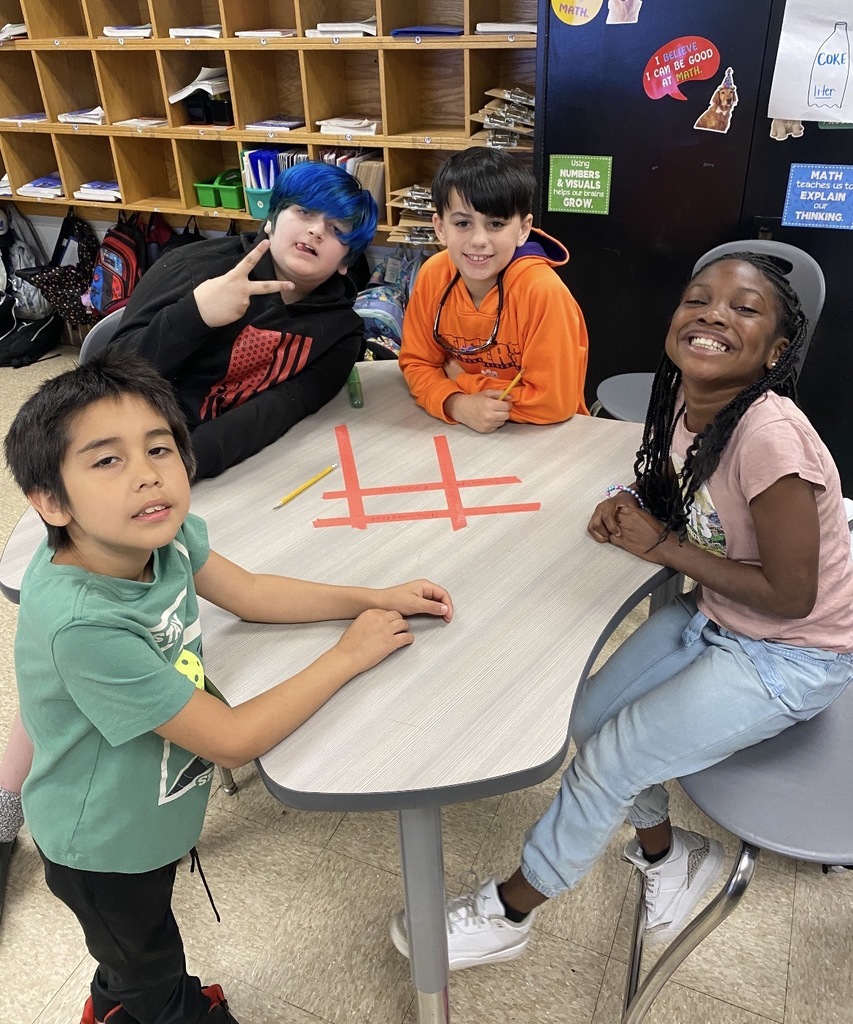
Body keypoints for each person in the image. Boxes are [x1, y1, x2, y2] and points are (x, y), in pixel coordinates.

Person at [390, 252, 853, 969]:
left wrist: (663, 546)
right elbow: (681, 496)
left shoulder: (769, 437)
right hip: (720, 616)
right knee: (584, 720)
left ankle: (511, 912)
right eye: (697, 298)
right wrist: (629, 502)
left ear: (776, 351)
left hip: (792, 654)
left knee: (608, 759)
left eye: (743, 309)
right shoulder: (684, 398)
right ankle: (668, 856)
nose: (711, 315)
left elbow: (792, 598)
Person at [4, 351, 452, 1022]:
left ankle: (123, 998)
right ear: (50, 501)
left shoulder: (166, 537)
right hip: (99, 845)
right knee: (147, 963)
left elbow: (250, 593)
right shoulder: (82, 623)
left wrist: (372, 596)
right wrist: (347, 656)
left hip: (145, 818)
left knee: (135, 949)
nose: (149, 475)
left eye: (159, 447)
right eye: (107, 460)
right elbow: (232, 741)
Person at [110, 161, 378, 479]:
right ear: (271, 220)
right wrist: (195, 315)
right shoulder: (191, 267)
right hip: (121, 445)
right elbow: (107, 380)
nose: (316, 231)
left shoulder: (341, 332)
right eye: (304, 212)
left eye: (337, 230)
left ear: (347, 261)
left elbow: (280, 409)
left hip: (211, 465)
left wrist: (184, 465)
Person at [398, 147, 589, 433]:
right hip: (464, 431)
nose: (478, 240)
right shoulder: (433, 275)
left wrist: (462, 381)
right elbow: (416, 363)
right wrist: (456, 404)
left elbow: (552, 403)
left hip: (547, 437)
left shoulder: (542, 292)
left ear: (523, 229)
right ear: (439, 227)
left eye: (496, 224)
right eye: (462, 223)